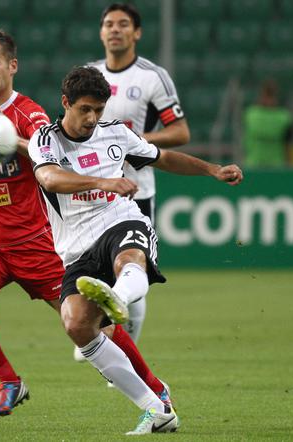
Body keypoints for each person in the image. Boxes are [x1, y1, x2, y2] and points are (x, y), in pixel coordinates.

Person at [0, 29, 172, 421]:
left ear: (12, 65)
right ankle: (8, 381)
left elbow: (49, 157)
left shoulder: (29, 114)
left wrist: (2, 139)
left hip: (37, 241)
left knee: (93, 323)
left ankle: (154, 387)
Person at [28, 66, 243, 434]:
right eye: (84, 110)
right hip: (77, 248)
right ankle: (156, 408)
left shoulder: (116, 134)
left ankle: (119, 295)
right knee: (77, 325)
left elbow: (163, 157)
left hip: (120, 220)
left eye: (98, 109)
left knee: (131, 258)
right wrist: (103, 179)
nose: (92, 118)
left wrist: (212, 169)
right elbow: (49, 177)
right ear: (65, 104)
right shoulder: (45, 139)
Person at [83, 3, 190, 349]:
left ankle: (124, 351)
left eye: (123, 24)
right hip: (91, 190)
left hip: (136, 190)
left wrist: (136, 143)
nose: (115, 29)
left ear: (137, 33)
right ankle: (90, 329)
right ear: (101, 32)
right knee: (87, 268)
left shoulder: (151, 77)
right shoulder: (88, 74)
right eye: (109, 24)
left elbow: (180, 132)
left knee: (132, 267)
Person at [243, 79, 293, 167]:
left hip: (254, 164)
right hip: (277, 165)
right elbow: (288, 144)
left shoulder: (251, 114)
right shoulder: (284, 116)